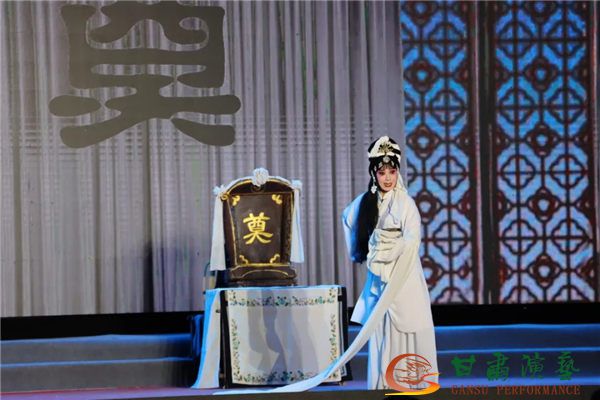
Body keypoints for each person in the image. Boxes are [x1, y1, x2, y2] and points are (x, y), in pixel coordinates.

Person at [342, 135, 438, 390]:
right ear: (374, 173)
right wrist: (372, 248)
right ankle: (383, 383)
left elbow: (413, 238)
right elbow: (348, 218)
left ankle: (412, 382)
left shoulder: (405, 203)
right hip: (380, 276)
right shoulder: (367, 203)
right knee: (382, 331)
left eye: (392, 172)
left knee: (410, 325)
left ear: (398, 173)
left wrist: (392, 249)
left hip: (404, 275)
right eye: (382, 172)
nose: (387, 178)